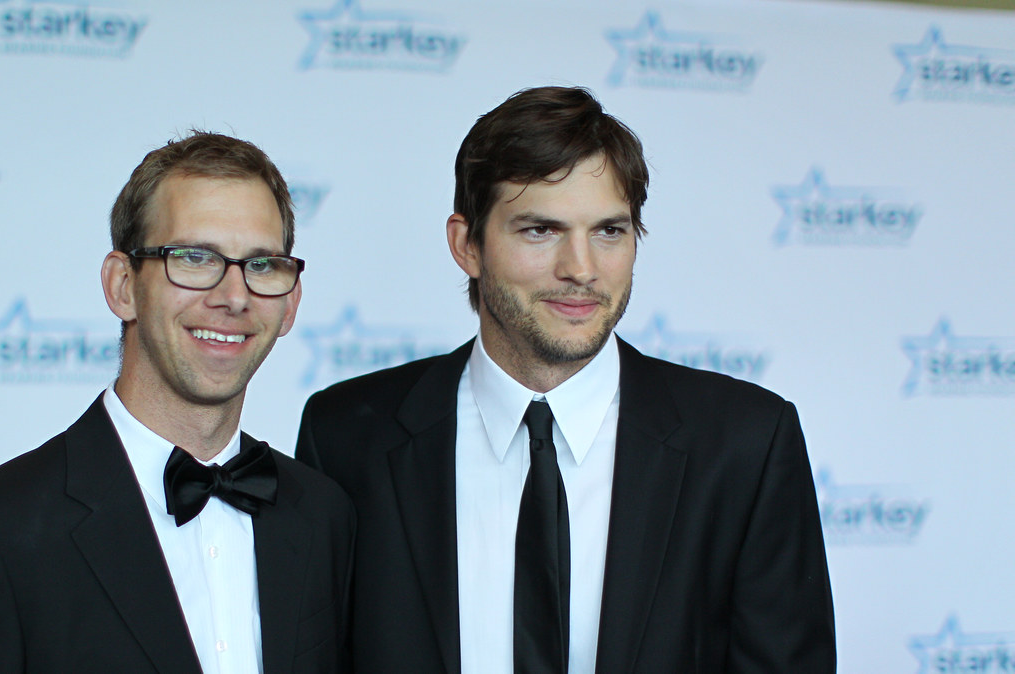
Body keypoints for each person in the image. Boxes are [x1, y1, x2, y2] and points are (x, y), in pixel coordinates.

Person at [295, 86, 835, 673]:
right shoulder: (347, 437)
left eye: (609, 231)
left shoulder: (746, 444)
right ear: (466, 244)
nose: (581, 269)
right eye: (540, 230)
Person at [0, 131, 354, 674]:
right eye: (194, 258)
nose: (234, 296)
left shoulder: (325, 517)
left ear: (290, 304)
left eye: (261, 266)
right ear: (123, 285)